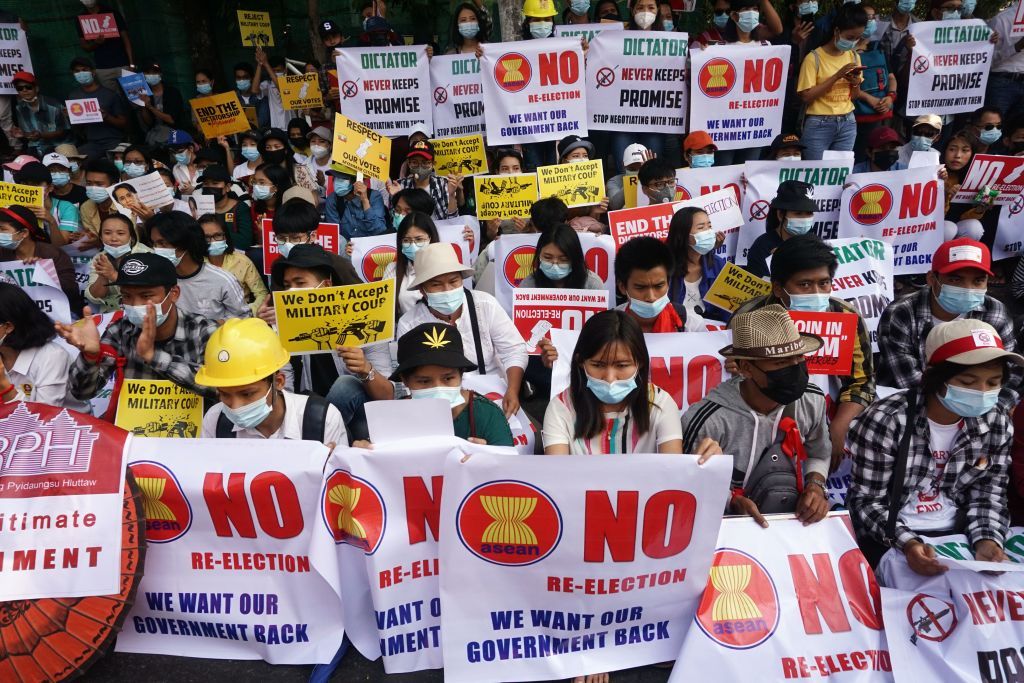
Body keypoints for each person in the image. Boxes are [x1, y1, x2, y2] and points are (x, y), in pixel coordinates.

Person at [847, 319, 1017, 576]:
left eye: (993, 383)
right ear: (935, 377)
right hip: (891, 535)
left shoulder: (996, 422)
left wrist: (987, 541)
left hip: (960, 532)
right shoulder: (888, 419)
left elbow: (989, 493)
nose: (982, 393)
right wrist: (909, 544)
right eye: (968, 382)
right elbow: (867, 502)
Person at [681, 305, 831, 527]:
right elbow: (684, 489)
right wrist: (731, 502)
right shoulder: (707, 421)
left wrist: (816, 486)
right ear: (745, 368)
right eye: (781, 362)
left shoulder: (812, 400)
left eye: (799, 358)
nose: (794, 368)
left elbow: (818, 453)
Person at [735, 233, 875, 467]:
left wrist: (839, 427)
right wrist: (736, 367)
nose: (817, 293)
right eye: (804, 285)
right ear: (778, 288)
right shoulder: (749, 317)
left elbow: (862, 383)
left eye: (824, 283)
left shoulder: (845, 315)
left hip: (826, 417)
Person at [878, 238, 1021, 409]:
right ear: (932, 278)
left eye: (978, 281)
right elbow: (908, 379)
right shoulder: (901, 314)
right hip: (912, 403)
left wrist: (993, 411)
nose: (967, 288)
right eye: (955, 280)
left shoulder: (996, 313)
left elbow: (1011, 374)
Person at [58, 252, 219, 403]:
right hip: (135, 429)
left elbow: (222, 389)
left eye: (146, 296)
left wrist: (154, 356)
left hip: (195, 428)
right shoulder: (119, 331)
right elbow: (81, 393)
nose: (135, 305)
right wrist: (90, 357)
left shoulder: (204, 331)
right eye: (127, 296)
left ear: (174, 294)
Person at [398, 243, 527, 416]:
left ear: (461, 280)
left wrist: (512, 390)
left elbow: (514, 350)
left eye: (453, 281)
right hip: (439, 399)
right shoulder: (410, 323)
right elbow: (411, 376)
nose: (447, 290)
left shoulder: (485, 304)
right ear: (422, 290)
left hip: (494, 393)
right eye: (436, 285)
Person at [543, 310, 694, 455]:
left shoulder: (661, 404)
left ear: (640, 363)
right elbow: (558, 475)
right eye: (598, 365)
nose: (610, 378)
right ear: (581, 362)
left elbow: (672, 473)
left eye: (622, 366)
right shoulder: (560, 408)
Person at [197, 318, 346, 445]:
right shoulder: (215, 421)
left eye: (247, 394)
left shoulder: (321, 419)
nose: (235, 406)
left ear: (279, 382)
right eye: (224, 394)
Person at [390, 322, 515, 446]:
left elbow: (508, 463)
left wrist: (490, 459)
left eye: (448, 378)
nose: (438, 389)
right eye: (424, 381)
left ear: (461, 374)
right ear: (405, 380)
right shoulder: (390, 418)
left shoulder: (488, 415)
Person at [148, 211, 250, 322]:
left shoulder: (223, 280)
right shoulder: (156, 280)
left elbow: (244, 317)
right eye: (154, 244)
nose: (157, 249)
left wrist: (210, 327)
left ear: (185, 242)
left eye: (162, 243)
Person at [796, 4, 867, 160]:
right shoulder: (813, 58)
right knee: (815, 173)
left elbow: (854, 95)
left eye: (858, 38)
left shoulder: (854, 57)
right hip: (819, 122)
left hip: (847, 121)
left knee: (840, 173)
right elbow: (806, 97)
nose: (854, 42)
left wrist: (855, 82)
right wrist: (836, 76)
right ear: (836, 31)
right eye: (850, 37)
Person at [0, 206, 82, 312]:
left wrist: (45, 272)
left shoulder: (53, 254)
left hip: (55, 319)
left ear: (24, 233)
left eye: (3, 229)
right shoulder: (2, 254)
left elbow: (72, 290)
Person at [617, 236, 706, 332]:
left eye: (658, 286)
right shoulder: (606, 327)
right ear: (622, 287)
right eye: (640, 287)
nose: (651, 297)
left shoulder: (692, 326)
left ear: (668, 283)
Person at [268, 196, 360, 284]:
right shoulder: (278, 266)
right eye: (281, 238)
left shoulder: (339, 265)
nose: (287, 243)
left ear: (312, 236)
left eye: (295, 238)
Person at [667, 207, 729, 323]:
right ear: (683, 234)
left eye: (709, 226)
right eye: (701, 228)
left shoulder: (717, 264)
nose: (708, 232)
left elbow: (726, 310)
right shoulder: (664, 267)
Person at [198, 214, 266, 317]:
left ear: (225, 236)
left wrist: (248, 311)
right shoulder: (195, 264)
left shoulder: (242, 261)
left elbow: (262, 294)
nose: (213, 241)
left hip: (241, 318)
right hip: (207, 319)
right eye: (207, 238)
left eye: (217, 235)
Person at [745, 179, 816, 278]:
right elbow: (758, 288)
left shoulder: (814, 243)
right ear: (780, 214)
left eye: (809, 213)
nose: (805, 218)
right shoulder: (762, 247)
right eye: (798, 213)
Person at [86, 213, 151, 312]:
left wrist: (112, 275)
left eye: (120, 233)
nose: (114, 239)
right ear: (100, 237)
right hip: (112, 313)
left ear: (132, 237)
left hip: (142, 310)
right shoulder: (99, 258)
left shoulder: (146, 254)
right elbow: (95, 297)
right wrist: (103, 276)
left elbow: (145, 291)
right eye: (107, 233)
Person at [67, 57, 127, 157]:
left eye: (84, 70)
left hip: (113, 140)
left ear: (93, 72)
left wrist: (107, 117)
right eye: (77, 71)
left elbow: (123, 123)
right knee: (78, 162)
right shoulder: (73, 96)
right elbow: (77, 128)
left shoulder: (110, 94)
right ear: (73, 74)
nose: (81, 73)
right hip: (91, 143)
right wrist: (70, 117)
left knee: (119, 163)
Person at [13, 162, 78, 247]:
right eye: (25, 184)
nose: (30, 189)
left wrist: (51, 221)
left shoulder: (67, 208)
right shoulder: (13, 207)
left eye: (35, 184)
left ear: (50, 187)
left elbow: (61, 245)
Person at [386, 211, 439, 315]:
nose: (413, 245)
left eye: (419, 239)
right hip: (405, 329)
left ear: (430, 238)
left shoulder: (444, 267)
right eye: (406, 240)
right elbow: (385, 305)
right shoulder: (392, 269)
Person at [520, 223, 603, 290]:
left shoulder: (592, 284)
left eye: (564, 259)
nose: (555, 264)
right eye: (547, 257)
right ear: (539, 255)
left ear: (575, 258)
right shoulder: (528, 285)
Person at [393, 140, 461, 221]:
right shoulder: (400, 186)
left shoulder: (444, 184)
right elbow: (395, 223)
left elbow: (453, 220)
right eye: (415, 162)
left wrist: (451, 195)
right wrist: (396, 197)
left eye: (425, 162)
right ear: (408, 163)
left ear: (433, 164)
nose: (420, 167)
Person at [76, 0, 135, 91]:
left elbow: (126, 39)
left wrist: (131, 64)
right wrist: (96, 43)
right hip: (103, 68)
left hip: (124, 64)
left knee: (138, 99)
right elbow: (85, 46)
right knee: (113, 99)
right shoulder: (80, 18)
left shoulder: (112, 13)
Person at [196, 164, 255, 250]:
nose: (209, 187)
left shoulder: (240, 208)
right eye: (206, 183)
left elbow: (245, 242)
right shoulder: (200, 208)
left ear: (227, 187)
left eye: (215, 183)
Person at [11, 71, 69, 157]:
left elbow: (63, 131)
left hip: (60, 144)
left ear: (36, 88)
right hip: (35, 146)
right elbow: (28, 134)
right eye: (20, 88)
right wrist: (22, 134)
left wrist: (41, 135)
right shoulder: (19, 108)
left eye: (28, 87)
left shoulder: (54, 105)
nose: (24, 90)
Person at [324, 169, 388, 244]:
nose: (336, 182)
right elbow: (334, 235)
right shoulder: (332, 200)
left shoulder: (374, 197)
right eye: (335, 178)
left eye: (342, 179)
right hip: (345, 251)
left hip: (370, 249)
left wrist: (365, 201)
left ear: (357, 180)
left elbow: (380, 232)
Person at [986, 4, 1024, 119]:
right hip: (1001, 82)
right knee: (992, 127)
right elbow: (988, 60)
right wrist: (1016, 47)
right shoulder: (1002, 19)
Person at [138, 61, 189, 146]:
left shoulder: (172, 92)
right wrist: (143, 106)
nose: (151, 75)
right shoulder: (145, 94)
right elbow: (149, 123)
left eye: (154, 72)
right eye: (148, 73)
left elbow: (171, 120)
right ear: (143, 75)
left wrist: (150, 107)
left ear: (160, 74)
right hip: (154, 136)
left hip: (174, 135)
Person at [258, 127, 318, 194]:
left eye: (277, 146)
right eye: (268, 147)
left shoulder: (300, 171)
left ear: (286, 150)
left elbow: (313, 198)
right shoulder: (261, 173)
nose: (272, 150)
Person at [80, 158, 121, 239]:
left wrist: (98, 242)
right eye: (89, 183)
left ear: (113, 186)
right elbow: (92, 236)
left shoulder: (125, 206)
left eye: (99, 184)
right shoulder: (86, 207)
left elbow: (131, 239)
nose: (93, 188)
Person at [607, 143, 649, 211]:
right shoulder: (614, 181)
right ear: (624, 165)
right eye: (632, 169)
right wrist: (632, 182)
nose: (637, 172)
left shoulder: (657, 177)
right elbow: (614, 206)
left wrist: (653, 174)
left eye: (641, 168)